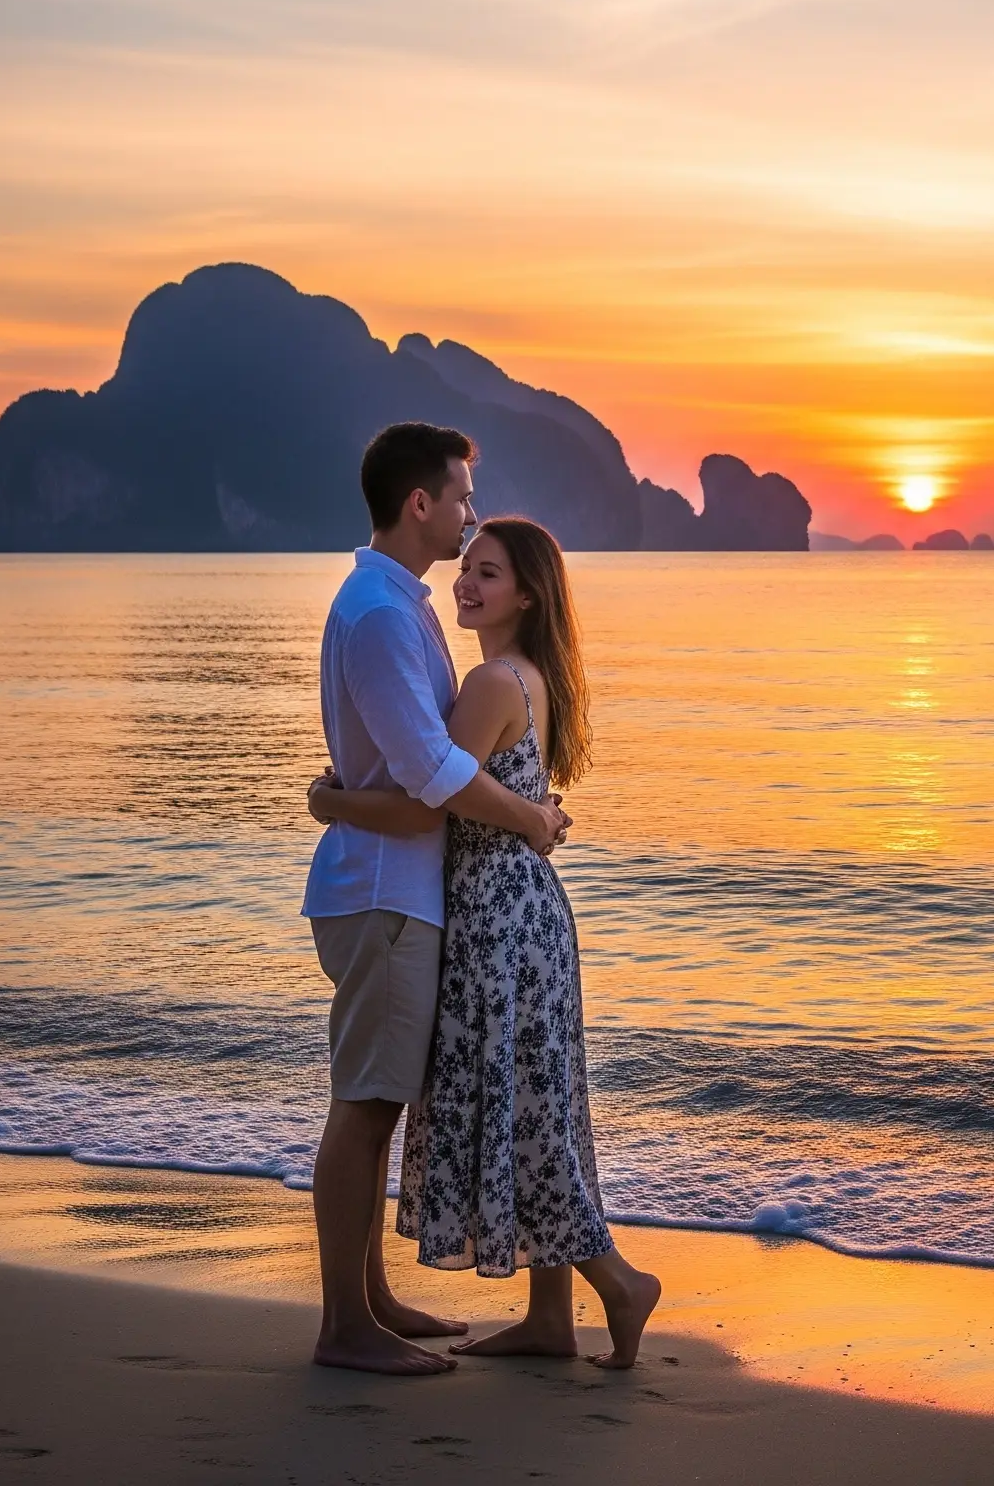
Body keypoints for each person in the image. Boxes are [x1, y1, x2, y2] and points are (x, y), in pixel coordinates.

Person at [309, 515, 661, 1369]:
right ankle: (550, 1319)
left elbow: (429, 801)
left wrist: (335, 802)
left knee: (523, 1102)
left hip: (494, 915)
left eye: (489, 574)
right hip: (526, 911)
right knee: (540, 1098)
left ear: (527, 594)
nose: (467, 584)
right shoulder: (531, 676)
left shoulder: (490, 684)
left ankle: (616, 1281)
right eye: (467, 568)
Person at [302, 423, 571, 1377]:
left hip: (404, 889)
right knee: (367, 1105)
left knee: (382, 1100)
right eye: (460, 498)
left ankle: (371, 1300)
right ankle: (343, 1328)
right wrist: (533, 819)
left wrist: (338, 793)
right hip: (383, 890)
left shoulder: (401, 604)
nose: (466, 513)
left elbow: (417, 765)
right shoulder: (379, 612)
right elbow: (430, 774)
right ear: (420, 503)